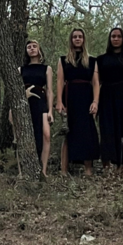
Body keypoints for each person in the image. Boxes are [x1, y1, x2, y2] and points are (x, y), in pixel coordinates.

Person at [96, 28, 123, 171]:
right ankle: (107, 163)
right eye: (113, 36)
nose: (115, 39)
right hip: (106, 95)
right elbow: (96, 82)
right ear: (109, 39)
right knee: (107, 128)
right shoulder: (101, 59)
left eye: (118, 36)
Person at [56, 29, 99, 176]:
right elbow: (60, 81)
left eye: (80, 36)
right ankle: (63, 170)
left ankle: (88, 169)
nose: (77, 39)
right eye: (75, 37)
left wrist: (95, 101)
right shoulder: (63, 60)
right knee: (69, 131)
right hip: (70, 97)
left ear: (84, 39)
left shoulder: (92, 61)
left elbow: (95, 82)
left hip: (86, 98)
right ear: (71, 40)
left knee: (87, 131)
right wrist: (59, 101)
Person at [16, 40, 53, 176]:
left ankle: (43, 171)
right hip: (24, 103)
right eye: (29, 47)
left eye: (34, 46)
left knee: (46, 135)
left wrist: (50, 110)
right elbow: (15, 89)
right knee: (22, 136)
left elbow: (49, 90)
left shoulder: (46, 69)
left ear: (39, 50)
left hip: (40, 101)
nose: (31, 49)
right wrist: (23, 95)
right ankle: (22, 172)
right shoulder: (21, 69)